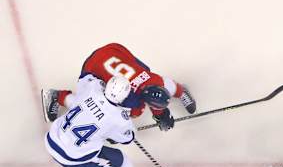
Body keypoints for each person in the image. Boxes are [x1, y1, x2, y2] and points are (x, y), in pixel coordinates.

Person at [43, 73, 148, 167]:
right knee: (124, 164)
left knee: (77, 102)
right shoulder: (119, 119)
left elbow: (86, 79)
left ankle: (56, 95)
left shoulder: (93, 87)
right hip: (71, 158)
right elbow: (128, 138)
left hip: (51, 139)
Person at [42, 43, 196, 131]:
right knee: (90, 106)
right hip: (91, 69)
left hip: (112, 51)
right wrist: (160, 116)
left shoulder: (154, 80)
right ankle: (57, 96)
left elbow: (160, 92)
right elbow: (119, 117)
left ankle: (182, 91)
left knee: (146, 70)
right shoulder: (134, 105)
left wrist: (161, 115)